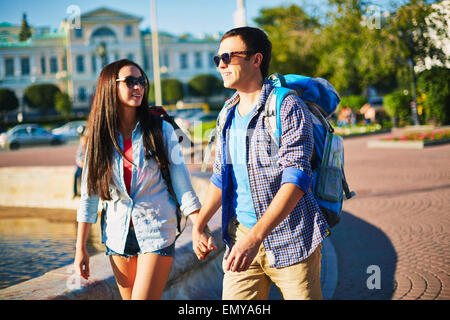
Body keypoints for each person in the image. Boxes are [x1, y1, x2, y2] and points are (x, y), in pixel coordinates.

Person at [192, 27, 329, 300]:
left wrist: (255, 238)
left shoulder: (287, 106)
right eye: (217, 58)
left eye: (229, 57)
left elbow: (297, 178)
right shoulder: (227, 114)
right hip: (241, 236)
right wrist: (199, 224)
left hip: (291, 236)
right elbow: (221, 175)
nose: (221, 64)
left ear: (256, 60)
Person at [74, 59, 205, 300]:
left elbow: (182, 183)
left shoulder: (162, 129)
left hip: (156, 230)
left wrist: (199, 225)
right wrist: (80, 248)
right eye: (130, 81)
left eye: (141, 81)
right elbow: (89, 196)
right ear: (109, 87)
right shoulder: (98, 139)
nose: (138, 87)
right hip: (117, 236)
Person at [73, 128, 87, 198]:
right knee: (76, 175)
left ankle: (81, 192)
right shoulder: (82, 142)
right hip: (81, 164)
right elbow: (78, 156)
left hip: (85, 164)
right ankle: (76, 193)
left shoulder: (85, 141)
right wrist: (80, 163)